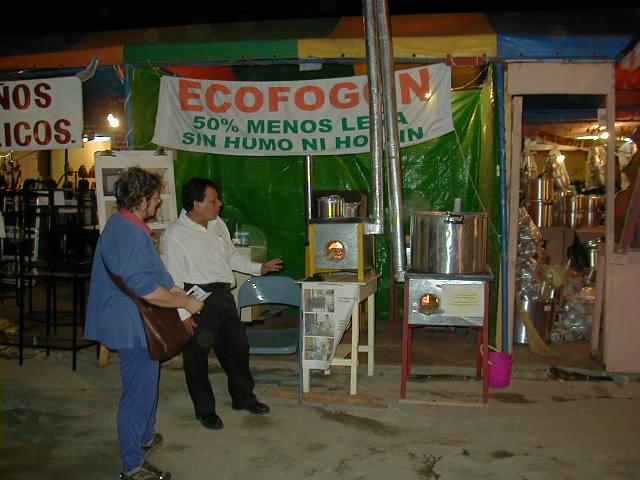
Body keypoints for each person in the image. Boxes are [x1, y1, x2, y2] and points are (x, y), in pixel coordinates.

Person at [85, 167, 204, 480]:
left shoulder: (126, 225)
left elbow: (150, 275)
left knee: (147, 386)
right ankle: (132, 465)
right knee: (137, 395)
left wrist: (174, 289)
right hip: (131, 325)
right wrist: (185, 303)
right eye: (155, 197)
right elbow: (147, 290)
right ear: (141, 200)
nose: (159, 201)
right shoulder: (128, 234)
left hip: (134, 322)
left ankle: (145, 436)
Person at [162, 177, 283, 430]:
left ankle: (243, 398)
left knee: (238, 348)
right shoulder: (175, 234)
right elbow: (174, 280)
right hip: (195, 299)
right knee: (197, 357)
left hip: (223, 296)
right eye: (213, 200)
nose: (220, 204)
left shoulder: (217, 224)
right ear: (197, 204)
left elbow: (230, 257)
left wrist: (259, 268)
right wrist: (184, 315)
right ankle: (205, 410)